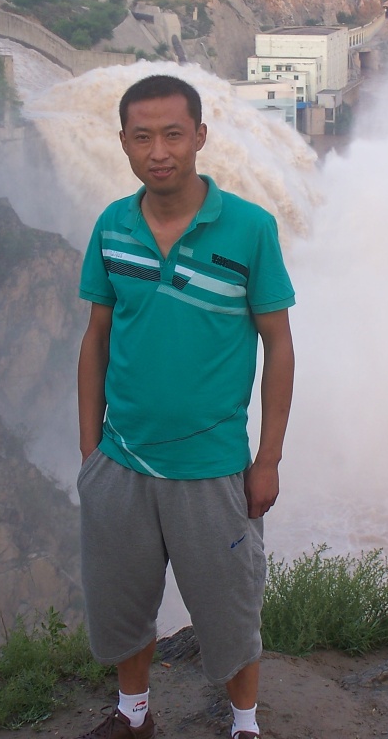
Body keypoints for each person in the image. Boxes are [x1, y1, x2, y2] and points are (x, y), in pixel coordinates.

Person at [76, 74, 296, 739]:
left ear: (200, 135)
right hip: (122, 461)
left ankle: (245, 724)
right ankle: (133, 714)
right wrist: (90, 454)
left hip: (213, 465)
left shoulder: (250, 229)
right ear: (123, 142)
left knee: (230, 608)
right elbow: (96, 338)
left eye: (173, 134)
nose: (158, 151)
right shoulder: (112, 226)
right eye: (142, 137)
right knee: (122, 603)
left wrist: (267, 461)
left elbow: (279, 346)